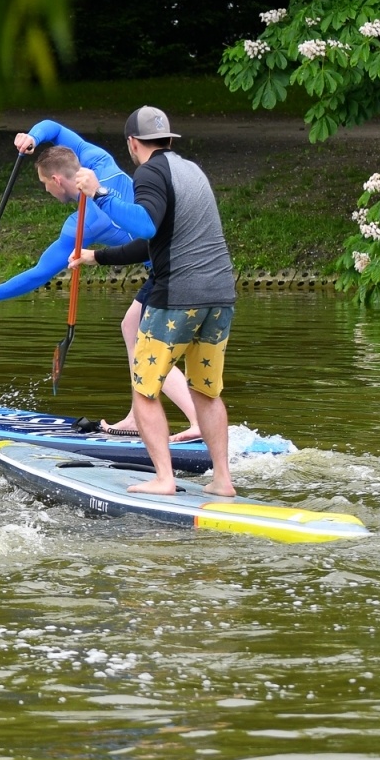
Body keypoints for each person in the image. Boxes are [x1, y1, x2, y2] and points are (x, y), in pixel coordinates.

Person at [0, 120, 200, 440]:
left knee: (147, 347)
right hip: (167, 262)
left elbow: (41, 273)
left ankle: (198, 423)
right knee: (130, 326)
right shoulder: (96, 160)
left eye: (44, 182)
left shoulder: (85, 221)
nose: (45, 189)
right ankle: (137, 416)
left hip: (178, 267)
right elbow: (53, 127)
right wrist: (34, 137)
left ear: (58, 180)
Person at [70, 106, 237, 497]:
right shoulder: (190, 170)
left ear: (132, 142)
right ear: (167, 139)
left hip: (177, 295)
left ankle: (164, 478)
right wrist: (98, 257)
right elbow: (155, 240)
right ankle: (223, 481)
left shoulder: (149, 173)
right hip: (220, 296)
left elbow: (144, 223)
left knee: (145, 387)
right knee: (206, 390)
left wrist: (100, 192)